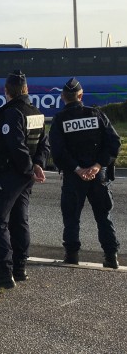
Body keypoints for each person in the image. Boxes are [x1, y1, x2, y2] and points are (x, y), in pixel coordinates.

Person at [0, 70, 50, 289]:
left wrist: (29, 169)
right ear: (26, 89)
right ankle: (19, 268)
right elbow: (43, 144)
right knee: (19, 219)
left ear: (6, 91)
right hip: (25, 175)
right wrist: (38, 164)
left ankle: (3, 271)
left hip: (13, 173)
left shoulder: (11, 113)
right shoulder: (36, 112)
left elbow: (15, 146)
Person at [48, 77, 121, 269]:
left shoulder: (59, 120)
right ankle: (111, 257)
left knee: (71, 217)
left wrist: (78, 169)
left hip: (74, 177)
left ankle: (72, 257)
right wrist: (97, 166)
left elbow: (57, 151)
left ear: (63, 97)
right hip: (99, 176)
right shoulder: (97, 114)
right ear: (81, 96)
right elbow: (114, 142)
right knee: (103, 217)